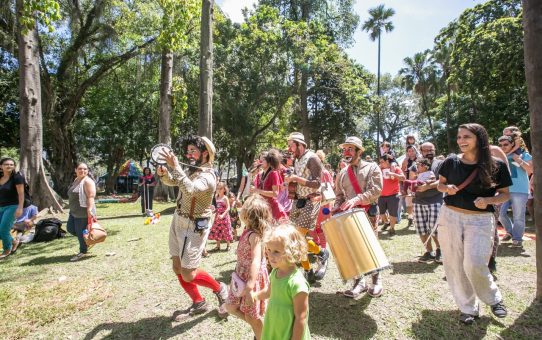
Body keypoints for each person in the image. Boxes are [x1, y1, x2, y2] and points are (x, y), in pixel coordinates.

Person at [436, 123, 511, 325]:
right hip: (450, 216)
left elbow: (505, 194)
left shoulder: (496, 165)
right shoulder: (450, 162)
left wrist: (488, 201)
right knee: (454, 264)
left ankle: (494, 299)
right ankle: (468, 308)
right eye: (459, 137)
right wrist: (447, 188)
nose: (461, 141)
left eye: (466, 137)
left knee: (474, 262)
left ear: (479, 139)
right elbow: (439, 184)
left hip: (480, 220)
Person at [157, 135, 228, 319]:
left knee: (188, 273)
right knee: (177, 267)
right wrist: (164, 174)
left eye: (193, 151)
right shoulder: (191, 170)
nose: (189, 154)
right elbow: (175, 181)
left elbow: (191, 189)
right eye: (188, 151)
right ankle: (199, 302)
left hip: (195, 225)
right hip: (178, 219)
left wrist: (176, 167)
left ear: (205, 154)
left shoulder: (208, 176)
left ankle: (221, 290)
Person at [333, 136, 383, 298]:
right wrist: (336, 206)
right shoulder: (341, 173)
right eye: (344, 149)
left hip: (368, 212)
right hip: (349, 216)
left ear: (359, 152)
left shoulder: (372, 167)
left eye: (350, 149)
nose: (346, 152)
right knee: (353, 247)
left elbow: (376, 190)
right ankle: (359, 282)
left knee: (371, 245)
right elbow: (339, 195)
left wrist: (357, 199)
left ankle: (376, 281)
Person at [250, 223, 310, 340]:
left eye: (276, 251)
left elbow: (301, 318)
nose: (270, 255)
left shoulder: (297, 283)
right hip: (275, 324)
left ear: (291, 251)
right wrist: (255, 296)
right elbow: (269, 291)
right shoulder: (275, 272)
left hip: (289, 330)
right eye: (269, 250)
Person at [284, 132, 329, 283]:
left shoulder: (313, 158)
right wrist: (290, 180)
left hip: (311, 201)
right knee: (296, 238)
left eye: (291, 145)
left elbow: (317, 183)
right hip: (298, 201)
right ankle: (311, 266)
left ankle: (319, 253)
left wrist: (296, 179)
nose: (289, 149)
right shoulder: (297, 159)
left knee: (297, 238)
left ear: (300, 144)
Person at [225, 195, 271, 340]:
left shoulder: (254, 236)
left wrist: (250, 285)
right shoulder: (248, 230)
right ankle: (263, 329)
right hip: (240, 276)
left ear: (248, 215)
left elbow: (256, 260)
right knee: (230, 307)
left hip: (251, 278)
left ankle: (261, 335)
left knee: (252, 317)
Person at [497, 134, 533, 247]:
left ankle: (517, 239)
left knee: (518, 216)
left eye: (506, 144)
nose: (503, 147)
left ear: (512, 144)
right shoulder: (501, 157)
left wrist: (518, 160)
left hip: (520, 190)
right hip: (505, 191)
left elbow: (530, 170)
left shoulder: (523, 155)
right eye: (501, 145)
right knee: (500, 214)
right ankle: (510, 231)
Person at [412, 143, 444, 264]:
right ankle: (428, 251)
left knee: (435, 228)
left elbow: (442, 180)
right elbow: (411, 178)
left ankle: (440, 250)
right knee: (421, 228)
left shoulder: (440, 163)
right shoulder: (416, 164)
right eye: (426, 150)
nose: (429, 151)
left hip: (435, 200)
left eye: (431, 149)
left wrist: (428, 186)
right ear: (421, 151)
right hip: (418, 201)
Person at [66, 162, 97, 262]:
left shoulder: (88, 181)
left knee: (80, 233)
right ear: (75, 170)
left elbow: (91, 196)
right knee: (70, 228)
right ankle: (88, 240)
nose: (82, 171)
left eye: (85, 169)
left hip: (83, 212)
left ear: (87, 171)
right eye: (80, 168)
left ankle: (83, 251)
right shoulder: (76, 180)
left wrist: (89, 209)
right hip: (73, 211)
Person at [252, 149, 288, 222]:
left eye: (263, 160)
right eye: (260, 160)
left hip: (274, 210)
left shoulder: (273, 173)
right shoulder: (260, 174)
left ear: (268, 161)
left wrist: (258, 190)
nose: (260, 162)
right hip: (264, 208)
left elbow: (275, 194)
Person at [0, 157, 24, 259]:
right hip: (1, 206)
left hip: (13, 206)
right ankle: (14, 242)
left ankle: (7, 249)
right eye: (6, 164)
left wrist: (20, 208)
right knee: (1, 231)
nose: (9, 166)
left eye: (11, 164)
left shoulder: (17, 178)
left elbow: (21, 194)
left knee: (3, 229)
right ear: (1, 166)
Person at [378, 153, 405, 236]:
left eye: (382, 162)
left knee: (392, 213)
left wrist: (393, 174)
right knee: (381, 213)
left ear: (387, 161)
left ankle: (392, 228)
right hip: (381, 195)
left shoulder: (395, 169)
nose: (380, 164)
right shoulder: (379, 169)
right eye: (380, 162)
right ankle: (386, 222)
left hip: (393, 195)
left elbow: (403, 178)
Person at [208, 182, 233, 251]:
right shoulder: (215, 197)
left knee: (226, 230)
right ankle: (218, 246)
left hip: (224, 217)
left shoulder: (225, 198)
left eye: (220, 188)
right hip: (217, 217)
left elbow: (228, 208)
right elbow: (215, 207)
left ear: (224, 189)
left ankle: (228, 245)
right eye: (217, 188)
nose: (219, 189)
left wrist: (223, 215)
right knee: (217, 231)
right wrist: (212, 210)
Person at [401, 145, 418, 227]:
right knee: (409, 202)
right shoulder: (406, 160)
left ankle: (415, 218)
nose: (411, 152)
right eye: (409, 151)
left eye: (412, 150)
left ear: (415, 150)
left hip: (418, 183)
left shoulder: (419, 159)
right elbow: (402, 169)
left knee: (417, 201)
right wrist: (404, 180)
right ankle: (410, 217)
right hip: (408, 184)